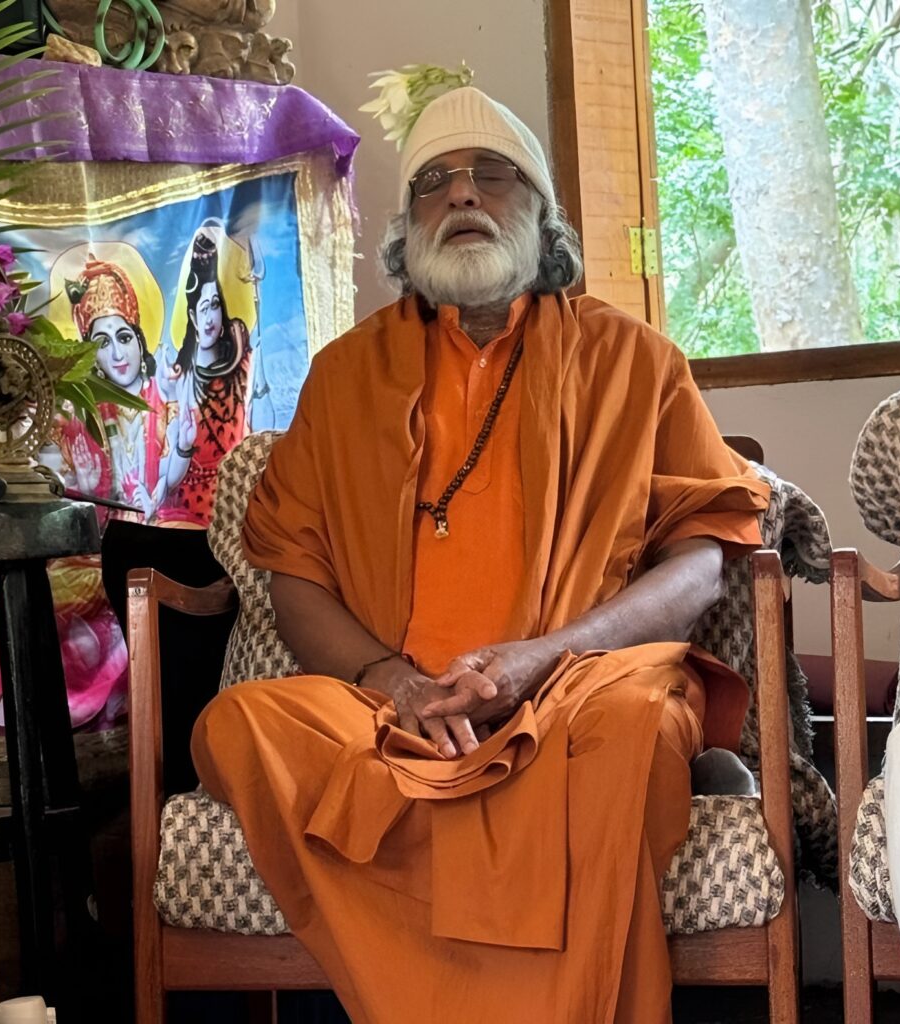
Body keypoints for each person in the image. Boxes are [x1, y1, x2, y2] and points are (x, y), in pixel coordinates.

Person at [190, 85, 771, 1023]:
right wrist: (394, 682)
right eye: (434, 184)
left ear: (542, 217)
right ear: (406, 231)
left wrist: (541, 658)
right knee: (244, 726)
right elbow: (293, 571)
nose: (462, 197)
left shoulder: (637, 361)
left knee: (627, 729)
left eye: (492, 176)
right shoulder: (342, 378)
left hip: (574, 692)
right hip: (393, 714)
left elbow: (704, 560)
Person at [62, 256, 193, 521]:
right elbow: (69, 495)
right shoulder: (84, 415)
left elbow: (170, 476)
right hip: (107, 534)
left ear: (140, 341)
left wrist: (184, 446)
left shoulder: (164, 397)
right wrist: (88, 487)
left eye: (123, 338)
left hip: (162, 523)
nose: (118, 354)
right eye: (103, 344)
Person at [162, 229, 251, 525]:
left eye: (215, 305)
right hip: (187, 512)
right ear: (192, 319)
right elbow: (168, 478)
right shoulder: (180, 379)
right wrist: (183, 445)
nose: (211, 317)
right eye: (204, 308)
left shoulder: (240, 362)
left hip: (237, 501)